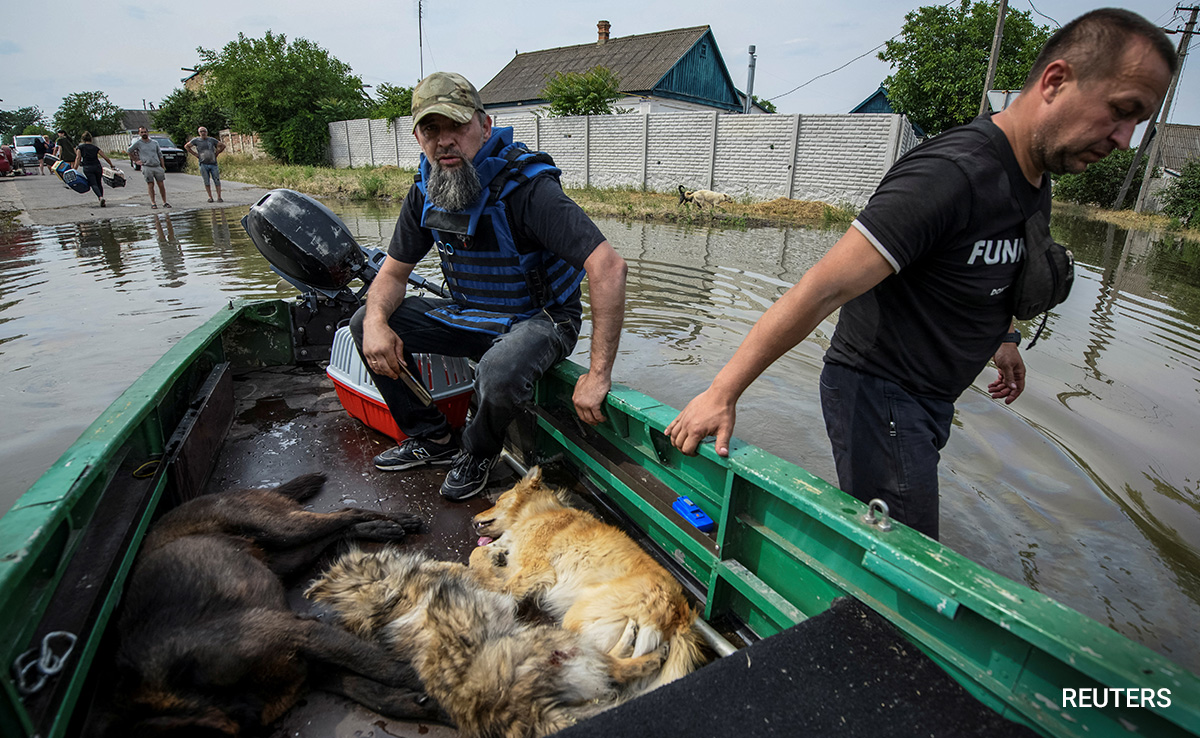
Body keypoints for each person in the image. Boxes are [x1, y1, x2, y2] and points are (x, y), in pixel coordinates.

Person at [665, 8, 1175, 540]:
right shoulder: (950, 174)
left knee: (896, 547)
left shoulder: (1034, 173)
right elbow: (820, 290)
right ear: (1055, 81)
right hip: (883, 391)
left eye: (1137, 122)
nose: (1124, 138)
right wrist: (722, 393)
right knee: (907, 567)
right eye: (1121, 111)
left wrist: (1003, 337)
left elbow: (985, 265)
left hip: (932, 398)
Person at [350, 71, 628, 501]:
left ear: (484, 126)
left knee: (499, 372)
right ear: (418, 137)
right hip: (472, 314)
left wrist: (598, 373)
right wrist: (375, 322)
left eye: (456, 126)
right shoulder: (425, 191)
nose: (444, 141)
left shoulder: (528, 190)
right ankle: (433, 440)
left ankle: (477, 451)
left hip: (540, 319)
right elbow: (391, 275)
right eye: (430, 129)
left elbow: (608, 267)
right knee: (365, 322)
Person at [128, 126, 171, 209]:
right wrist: (136, 160)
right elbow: (129, 151)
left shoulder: (154, 142)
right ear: (139, 133)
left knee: (161, 184)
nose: (144, 134)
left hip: (156, 165)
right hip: (147, 166)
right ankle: (153, 202)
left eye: (145, 132)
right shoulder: (138, 143)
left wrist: (162, 166)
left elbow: (160, 154)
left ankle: (164, 202)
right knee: (150, 184)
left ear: (148, 132)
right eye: (142, 132)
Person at [73, 131, 115, 207]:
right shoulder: (95, 148)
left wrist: (74, 169)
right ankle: (101, 198)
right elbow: (105, 157)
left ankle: (100, 197)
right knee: (99, 183)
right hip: (97, 167)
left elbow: (78, 158)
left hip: (88, 167)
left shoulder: (80, 148)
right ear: (91, 139)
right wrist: (111, 165)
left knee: (93, 183)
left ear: (83, 139)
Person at [185, 126, 226, 202]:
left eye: (204, 131)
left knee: (216, 180)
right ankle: (210, 197)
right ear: (199, 133)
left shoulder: (211, 140)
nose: (203, 133)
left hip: (213, 163)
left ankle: (219, 197)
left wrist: (217, 152)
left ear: (207, 132)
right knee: (206, 181)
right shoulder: (196, 140)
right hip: (203, 163)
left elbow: (222, 145)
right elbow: (187, 146)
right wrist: (195, 154)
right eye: (201, 131)